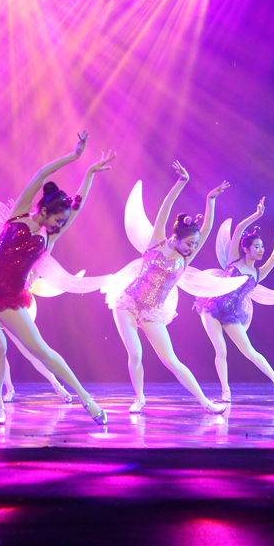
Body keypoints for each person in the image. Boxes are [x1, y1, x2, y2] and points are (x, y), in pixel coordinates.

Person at [0, 131, 115, 425]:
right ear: (44, 210)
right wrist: (74, 157)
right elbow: (40, 175)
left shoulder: (49, 236)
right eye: (58, 219)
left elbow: (77, 206)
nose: (60, 224)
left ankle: (86, 399)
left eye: (62, 222)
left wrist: (89, 174)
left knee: (43, 351)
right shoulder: (19, 214)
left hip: (10, 297)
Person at [108, 161, 229, 415]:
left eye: (194, 245)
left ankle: (206, 403)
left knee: (171, 360)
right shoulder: (156, 243)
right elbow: (165, 208)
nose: (192, 248)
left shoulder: (185, 259)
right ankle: (139, 398)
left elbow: (206, 228)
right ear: (175, 238)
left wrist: (210, 200)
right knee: (136, 353)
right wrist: (181, 183)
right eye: (189, 244)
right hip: (128, 303)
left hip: (153, 310)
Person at [195, 197, 274, 402]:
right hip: (212, 308)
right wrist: (257, 215)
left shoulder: (259, 273)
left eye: (262, 247)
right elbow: (239, 228)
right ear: (246, 249)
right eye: (257, 247)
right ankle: (225, 391)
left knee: (250, 351)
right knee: (221, 349)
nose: (261, 250)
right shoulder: (233, 260)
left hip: (232, 314)